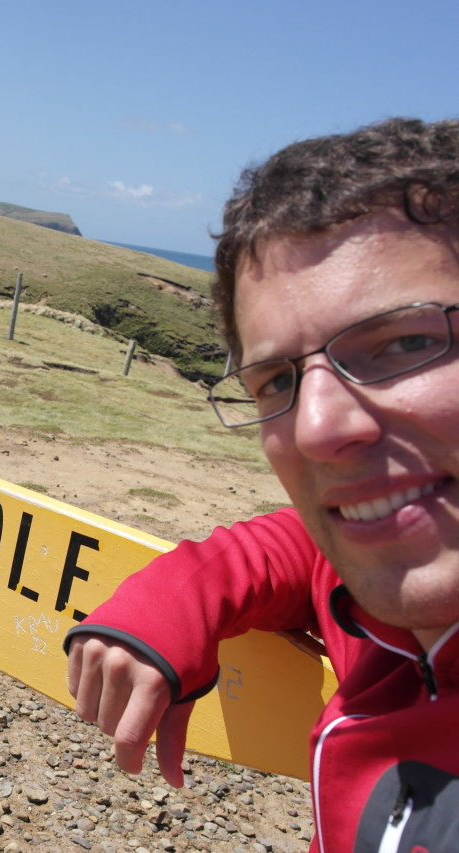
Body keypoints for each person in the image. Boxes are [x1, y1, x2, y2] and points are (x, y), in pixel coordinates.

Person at [64, 116, 459, 853]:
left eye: (405, 342)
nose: (315, 427)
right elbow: (307, 549)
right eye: (277, 379)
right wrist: (169, 605)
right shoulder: (385, 601)